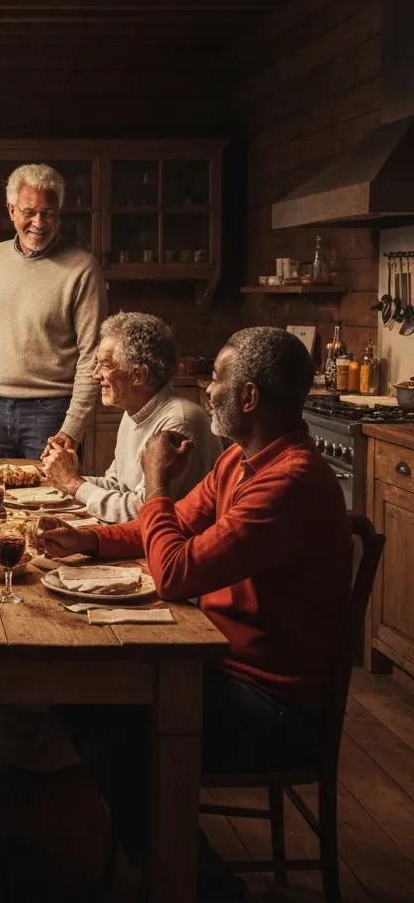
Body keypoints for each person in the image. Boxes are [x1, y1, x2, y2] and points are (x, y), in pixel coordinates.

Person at [36, 328, 351, 892]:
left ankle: (202, 883)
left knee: (113, 739)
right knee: (75, 688)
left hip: (273, 705)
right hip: (221, 661)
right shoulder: (241, 461)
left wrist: (156, 482)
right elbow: (174, 526)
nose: (207, 390)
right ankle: (163, 853)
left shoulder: (289, 482)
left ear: (249, 398)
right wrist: (93, 542)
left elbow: (176, 573)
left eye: (218, 380)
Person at [0, 163, 105, 459]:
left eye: (48, 213)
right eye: (29, 212)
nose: (39, 222)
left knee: (49, 501)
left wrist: (72, 428)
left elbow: (92, 357)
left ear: (58, 213)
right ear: (11, 210)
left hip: (51, 413)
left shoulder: (82, 268)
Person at [41, 312, 222, 523]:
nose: (95, 374)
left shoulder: (180, 422)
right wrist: (60, 476)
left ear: (138, 375)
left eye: (106, 365)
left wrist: (73, 483)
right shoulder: (133, 413)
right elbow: (118, 485)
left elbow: (144, 511)